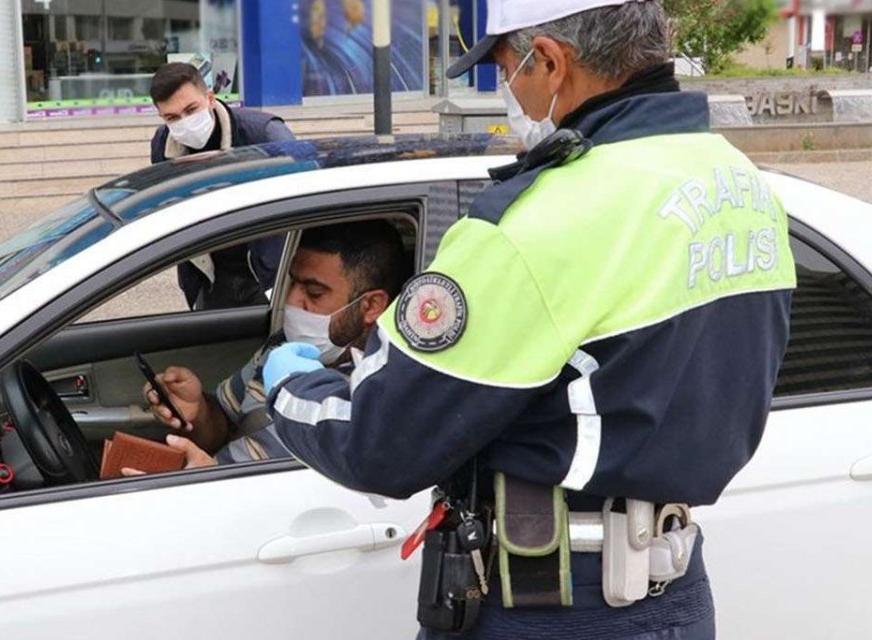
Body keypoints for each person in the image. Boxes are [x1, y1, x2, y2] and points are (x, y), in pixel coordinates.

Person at [260, 2, 797, 639]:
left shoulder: (537, 222)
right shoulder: (739, 180)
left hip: (552, 608)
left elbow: (379, 446)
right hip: (675, 596)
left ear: (549, 61)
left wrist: (287, 383)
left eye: (505, 70)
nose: (507, 94)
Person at [130, 220, 408, 474]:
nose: (292, 300)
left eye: (314, 292)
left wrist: (207, 480)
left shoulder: (371, 398)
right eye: (292, 282)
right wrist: (199, 411)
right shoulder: (283, 348)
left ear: (370, 306)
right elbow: (227, 422)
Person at [148, 62, 296, 311]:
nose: (185, 122)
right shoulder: (163, 145)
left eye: (191, 109)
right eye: (172, 117)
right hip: (209, 280)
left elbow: (302, 203)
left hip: (268, 276)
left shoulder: (265, 136)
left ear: (210, 98)